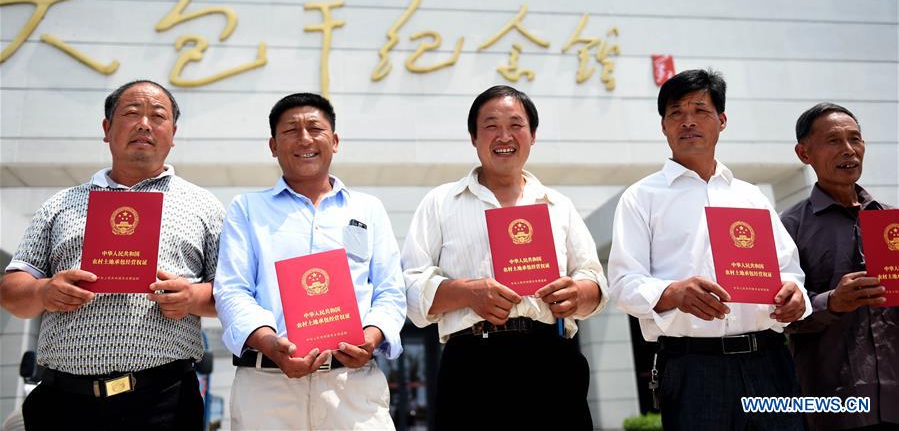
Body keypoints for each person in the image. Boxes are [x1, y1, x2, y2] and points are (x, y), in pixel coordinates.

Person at [0, 80, 223, 430]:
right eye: (131, 113)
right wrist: (43, 291)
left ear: (173, 133)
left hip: (163, 401)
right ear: (107, 129)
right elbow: (12, 292)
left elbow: (232, 294)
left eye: (157, 116)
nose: (144, 124)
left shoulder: (205, 207)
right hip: (64, 401)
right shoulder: (61, 204)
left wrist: (192, 297)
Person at [608, 68, 810, 431]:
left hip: (768, 361)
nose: (688, 122)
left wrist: (796, 297)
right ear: (664, 126)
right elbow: (623, 283)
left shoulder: (750, 196)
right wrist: (671, 292)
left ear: (721, 120)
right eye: (676, 113)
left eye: (700, 111)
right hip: (692, 368)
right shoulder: (641, 198)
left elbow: (789, 271)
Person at [402, 85, 608, 430]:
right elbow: (410, 287)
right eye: (491, 126)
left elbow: (594, 278)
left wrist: (579, 293)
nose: (504, 136)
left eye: (516, 124)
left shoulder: (558, 205)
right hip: (472, 362)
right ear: (473, 137)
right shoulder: (440, 203)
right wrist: (469, 293)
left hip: (552, 358)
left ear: (533, 135)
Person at [213, 92, 405, 430]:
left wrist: (372, 337)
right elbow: (232, 290)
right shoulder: (247, 209)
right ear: (273, 145)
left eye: (315, 128)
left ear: (335, 140)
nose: (304, 139)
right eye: (290, 131)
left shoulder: (367, 209)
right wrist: (269, 342)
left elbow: (390, 291)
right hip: (267, 387)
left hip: (352, 386)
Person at [781, 103, 898, 430]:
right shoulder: (788, 227)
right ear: (804, 153)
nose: (849, 150)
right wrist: (831, 302)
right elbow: (779, 316)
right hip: (834, 402)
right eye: (833, 141)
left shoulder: (891, 220)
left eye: (855, 139)